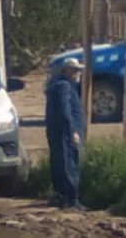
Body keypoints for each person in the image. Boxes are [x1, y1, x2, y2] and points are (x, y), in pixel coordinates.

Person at [45, 57, 86, 210]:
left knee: (60, 163)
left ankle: (61, 197)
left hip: (57, 132)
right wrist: (72, 132)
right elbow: (65, 112)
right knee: (69, 164)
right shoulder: (63, 86)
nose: (78, 73)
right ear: (66, 71)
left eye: (79, 69)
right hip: (65, 134)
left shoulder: (56, 85)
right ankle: (72, 199)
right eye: (75, 70)